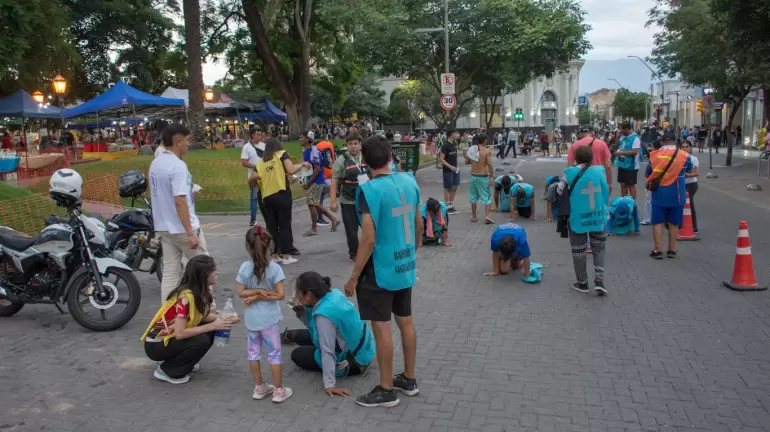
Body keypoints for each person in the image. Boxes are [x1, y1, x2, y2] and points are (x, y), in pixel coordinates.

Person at [345, 135, 421, 408]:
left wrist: (354, 277)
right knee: (406, 321)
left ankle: (386, 389)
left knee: (381, 328)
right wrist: (413, 250)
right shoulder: (409, 181)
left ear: (364, 160)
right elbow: (418, 221)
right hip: (404, 265)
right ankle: (409, 379)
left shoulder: (369, 190)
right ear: (390, 155)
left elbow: (367, 238)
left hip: (380, 270)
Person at [141, 255, 234, 384]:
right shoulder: (185, 298)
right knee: (202, 339)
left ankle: (183, 362)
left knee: (212, 329)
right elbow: (180, 334)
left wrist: (221, 319)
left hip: (166, 338)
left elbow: (200, 317)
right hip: (155, 344)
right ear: (204, 275)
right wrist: (213, 326)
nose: (217, 273)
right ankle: (169, 371)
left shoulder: (195, 292)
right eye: (214, 270)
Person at [284, 272, 374, 397]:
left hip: (354, 362)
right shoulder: (333, 294)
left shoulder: (323, 317)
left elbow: (327, 350)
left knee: (298, 354)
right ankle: (287, 335)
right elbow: (315, 327)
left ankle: (287, 337)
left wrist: (330, 385)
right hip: (364, 349)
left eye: (298, 292)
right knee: (300, 335)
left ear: (308, 294)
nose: (297, 296)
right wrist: (302, 312)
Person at [149, 124, 210, 301]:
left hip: (164, 226)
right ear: (178, 141)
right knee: (205, 269)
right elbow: (179, 201)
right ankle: (207, 310)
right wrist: (190, 232)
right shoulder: (178, 165)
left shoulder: (156, 163)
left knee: (170, 272)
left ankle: (167, 314)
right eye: (187, 140)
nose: (188, 144)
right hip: (182, 227)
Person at [235, 226, 293, 402]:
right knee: (274, 354)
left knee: (253, 353)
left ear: (248, 246)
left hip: (252, 319)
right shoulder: (275, 268)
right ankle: (278, 390)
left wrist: (255, 294)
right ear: (269, 246)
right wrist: (261, 293)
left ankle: (259, 387)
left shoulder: (245, 267)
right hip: (270, 319)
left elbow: (240, 292)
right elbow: (281, 295)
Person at [251, 137, 308, 264]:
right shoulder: (281, 154)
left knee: (272, 227)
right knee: (284, 225)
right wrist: (302, 164)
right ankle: (286, 255)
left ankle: (274, 255)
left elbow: (252, 179)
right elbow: (291, 169)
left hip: (267, 197)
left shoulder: (261, 162)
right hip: (281, 194)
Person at [562, 145, 610, 294]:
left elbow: (559, 190)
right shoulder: (599, 171)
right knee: (599, 249)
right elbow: (606, 190)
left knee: (579, 251)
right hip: (598, 216)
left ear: (576, 158)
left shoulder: (569, 173)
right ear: (591, 158)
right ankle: (599, 281)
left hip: (578, 218)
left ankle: (582, 283)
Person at [646, 130, 693, 258]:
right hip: (677, 194)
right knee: (673, 223)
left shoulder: (654, 155)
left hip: (659, 194)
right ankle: (671, 249)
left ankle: (657, 249)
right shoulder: (685, 156)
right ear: (676, 142)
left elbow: (648, 173)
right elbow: (689, 169)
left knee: (657, 222)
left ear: (662, 142)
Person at [331, 133, 370, 262]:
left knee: (368, 226)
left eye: (355, 143)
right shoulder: (341, 160)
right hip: (348, 200)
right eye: (350, 144)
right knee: (351, 229)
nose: (353, 146)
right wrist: (333, 201)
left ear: (360, 145)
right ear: (347, 145)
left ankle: (370, 249)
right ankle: (354, 253)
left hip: (365, 199)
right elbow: (334, 179)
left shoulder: (366, 157)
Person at [301, 132, 339, 236]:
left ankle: (314, 228)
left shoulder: (314, 151)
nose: (300, 139)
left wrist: (309, 182)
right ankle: (333, 219)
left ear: (308, 139)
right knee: (315, 203)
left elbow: (317, 168)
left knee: (312, 203)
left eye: (302, 137)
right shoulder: (305, 150)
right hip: (312, 180)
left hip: (316, 180)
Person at [465, 134, 494, 224]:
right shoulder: (486, 151)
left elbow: (466, 162)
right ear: (485, 141)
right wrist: (492, 176)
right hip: (483, 177)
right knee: (487, 196)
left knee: (473, 197)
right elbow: (489, 164)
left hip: (473, 176)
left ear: (477, 141)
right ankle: (487, 216)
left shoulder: (472, 150)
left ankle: (474, 217)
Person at [241, 127, 266, 227]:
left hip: (264, 176)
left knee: (266, 196)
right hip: (254, 177)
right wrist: (256, 166)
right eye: (258, 134)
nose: (260, 136)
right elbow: (244, 162)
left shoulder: (264, 146)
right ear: (252, 135)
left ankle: (267, 216)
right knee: (254, 197)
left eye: (261, 134)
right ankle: (253, 219)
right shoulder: (246, 147)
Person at [613, 122, 641, 200]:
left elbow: (634, 152)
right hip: (622, 164)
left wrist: (620, 153)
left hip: (631, 166)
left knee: (630, 185)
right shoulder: (623, 136)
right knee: (622, 184)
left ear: (627, 129)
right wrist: (617, 137)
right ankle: (624, 202)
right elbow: (616, 146)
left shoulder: (635, 138)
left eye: (621, 130)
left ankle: (632, 204)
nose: (620, 131)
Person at [440, 129, 460, 214]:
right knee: (447, 188)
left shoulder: (455, 144)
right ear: (452, 134)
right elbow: (441, 159)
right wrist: (450, 166)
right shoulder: (445, 146)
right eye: (456, 133)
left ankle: (451, 205)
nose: (457, 135)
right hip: (448, 170)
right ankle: (447, 207)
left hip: (455, 169)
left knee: (455, 187)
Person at [681, 140, 700, 233]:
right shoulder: (679, 158)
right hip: (682, 184)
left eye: (687, 146)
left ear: (690, 148)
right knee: (681, 204)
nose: (685, 148)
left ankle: (694, 227)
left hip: (691, 184)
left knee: (689, 204)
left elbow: (696, 173)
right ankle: (681, 224)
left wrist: (687, 175)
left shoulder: (693, 159)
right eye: (683, 147)